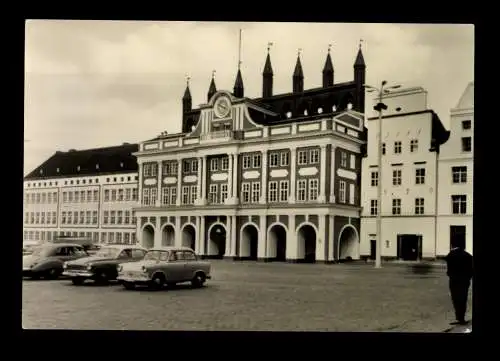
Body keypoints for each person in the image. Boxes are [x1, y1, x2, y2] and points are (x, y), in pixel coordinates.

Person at [444, 245, 473, 325]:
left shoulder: (451, 254)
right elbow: (471, 270)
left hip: (454, 280)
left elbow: (447, 263)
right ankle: (461, 318)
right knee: (463, 299)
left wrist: (450, 274)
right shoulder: (468, 256)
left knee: (455, 298)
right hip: (464, 281)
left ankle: (458, 317)